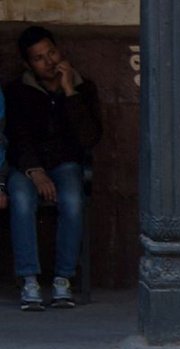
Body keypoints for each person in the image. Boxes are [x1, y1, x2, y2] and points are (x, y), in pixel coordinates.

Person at [4, 25, 101, 311]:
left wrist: (70, 92)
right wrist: (35, 171)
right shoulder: (17, 91)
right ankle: (29, 280)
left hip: (65, 165)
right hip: (26, 168)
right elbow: (16, 137)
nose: (49, 62)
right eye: (39, 58)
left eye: (52, 53)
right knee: (21, 200)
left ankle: (63, 279)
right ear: (28, 64)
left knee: (72, 201)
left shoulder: (84, 87)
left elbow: (90, 138)